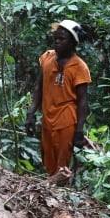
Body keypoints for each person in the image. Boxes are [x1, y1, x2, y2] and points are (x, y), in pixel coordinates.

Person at [25, 19, 91, 179]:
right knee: (48, 160)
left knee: (62, 166)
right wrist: (31, 113)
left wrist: (79, 131)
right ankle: (52, 192)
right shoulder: (48, 58)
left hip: (66, 120)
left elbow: (82, 101)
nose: (57, 42)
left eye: (62, 39)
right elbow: (39, 87)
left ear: (73, 42)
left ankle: (59, 195)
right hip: (48, 118)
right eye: (56, 38)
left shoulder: (79, 67)